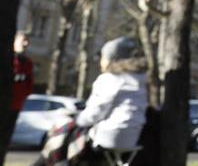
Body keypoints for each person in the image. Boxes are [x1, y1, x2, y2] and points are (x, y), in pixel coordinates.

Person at [37, 36, 148, 166]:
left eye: (102, 57)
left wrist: (75, 119)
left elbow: (94, 114)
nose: (100, 61)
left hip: (108, 136)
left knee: (64, 125)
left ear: (112, 60)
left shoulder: (109, 79)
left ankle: (54, 161)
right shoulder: (140, 81)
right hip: (131, 138)